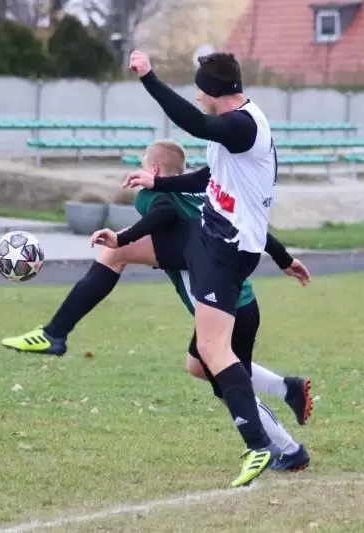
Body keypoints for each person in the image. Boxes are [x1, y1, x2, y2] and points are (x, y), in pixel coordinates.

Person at [1, 140, 313, 471]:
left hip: (225, 307)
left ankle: (289, 450)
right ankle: (287, 389)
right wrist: (285, 260)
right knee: (198, 365)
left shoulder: (151, 195)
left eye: (142, 165)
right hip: (242, 302)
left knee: (227, 382)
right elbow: (251, 228)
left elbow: (164, 211)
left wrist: (124, 238)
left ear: (153, 170)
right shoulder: (207, 194)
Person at [124, 50, 282, 487]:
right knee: (203, 360)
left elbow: (195, 124)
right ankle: (276, 435)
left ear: (214, 92)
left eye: (199, 89)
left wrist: (149, 78)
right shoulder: (233, 129)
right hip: (222, 245)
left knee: (214, 352)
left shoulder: (241, 126)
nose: (196, 95)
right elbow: (207, 178)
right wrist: (159, 182)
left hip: (226, 249)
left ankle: (261, 445)